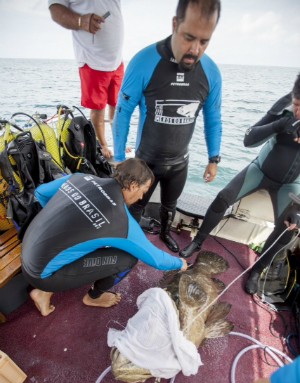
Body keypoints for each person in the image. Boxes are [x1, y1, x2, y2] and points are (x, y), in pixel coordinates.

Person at [113, 0, 222, 254]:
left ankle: (164, 234)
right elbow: (123, 111)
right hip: (145, 162)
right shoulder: (144, 61)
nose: (195, 49)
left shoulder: (211, 72)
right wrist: (120, 157)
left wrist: (213, 158)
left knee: (169, 206)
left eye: (204, 41)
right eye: (189, 37)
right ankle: (129, 243)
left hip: (179, 162)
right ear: (175, 25)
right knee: (135, 207)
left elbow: (213, 116)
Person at [179, 73, 300, 295]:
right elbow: (248, 140)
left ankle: (257, 271)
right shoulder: (285, 106)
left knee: (289, 229)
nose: (298, 112)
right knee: (224, 197)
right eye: (297, 105)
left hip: (291, 185)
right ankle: (198, 241)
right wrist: (281, 124)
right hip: (261, 169)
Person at [21, 158, 188, 317]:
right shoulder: (121, 222)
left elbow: (41, 193)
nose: (141, 197)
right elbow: (155, 258)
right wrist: (179, 263)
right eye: (143, 191)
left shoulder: (79, 178)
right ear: (133, 185)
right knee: (128, 258)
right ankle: (93, 297)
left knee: (90, 239)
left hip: (27, 251)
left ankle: (43, 293)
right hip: (42, 276)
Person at [48, 0, 124, 159]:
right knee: (98, 107)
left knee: (117, 105)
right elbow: (56, 9)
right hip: (93, 59)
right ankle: (102, 145)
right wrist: (81, 21)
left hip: (117, 60)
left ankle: (118, 144)